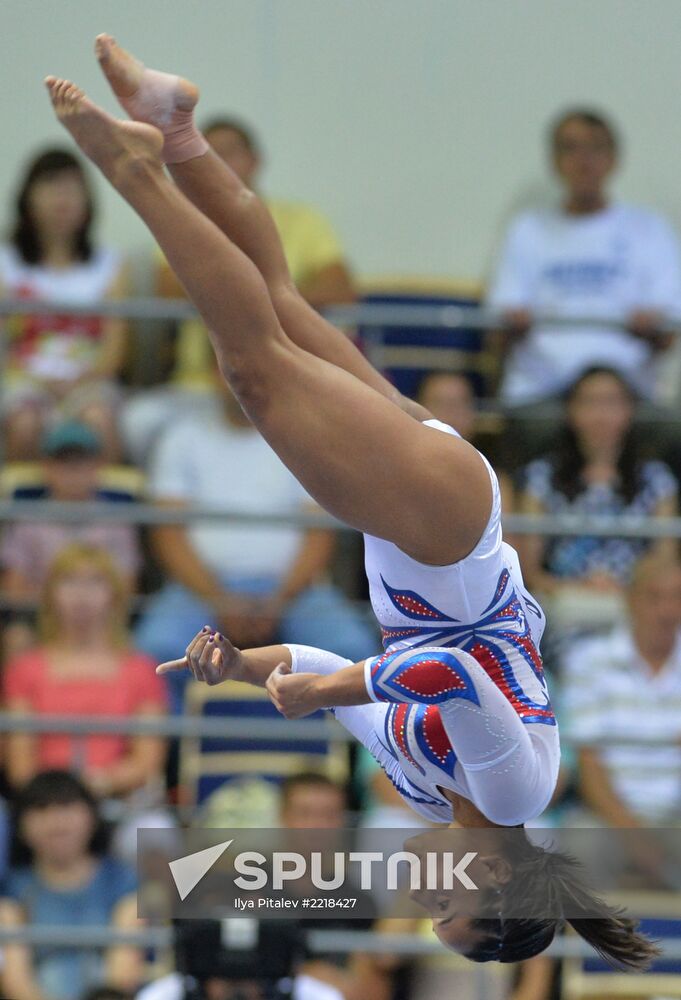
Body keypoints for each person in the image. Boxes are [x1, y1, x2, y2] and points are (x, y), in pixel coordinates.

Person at [43, 36, 656, 969]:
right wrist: (331, 689)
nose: (419, 895)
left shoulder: (418, 788)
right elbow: (454, 676)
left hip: (413, 524)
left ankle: (176, 128)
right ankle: (135, 175)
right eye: (440, 908)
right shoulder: (518, 791)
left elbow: (327, 662)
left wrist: (243, 666)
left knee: (281, 312)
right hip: (444, 541)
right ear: (488, 883)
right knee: (254, 367)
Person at [134, 372, 377, 713]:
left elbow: (319, 535)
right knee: (155, 653)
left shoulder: (300, 438)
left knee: (352, 649)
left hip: (293, 589)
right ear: (212, 372)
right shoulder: (182, 438)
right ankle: (172, 763)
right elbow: (168, 534)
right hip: (200, 589)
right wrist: (218, 599)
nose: (240, 381)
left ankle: (363, 764)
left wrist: (278, 599)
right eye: (228, 368)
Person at [122, 116, 356, 465]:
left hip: (289, 382)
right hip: (201, 387)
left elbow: (340, 288)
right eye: (208, 154)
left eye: (229, 152)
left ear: (256, 160)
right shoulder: (181, 220)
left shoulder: (302, 220)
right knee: (137, 422)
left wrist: (251, 295)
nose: (218, 163)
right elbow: (167, 287)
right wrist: (263, 292)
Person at [487, 108, 681, 405]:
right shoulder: (527, 229)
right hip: (543, 390)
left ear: (614, 159)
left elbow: (668, 332)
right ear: (554, 161)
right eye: (571, 148)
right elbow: (498, 330)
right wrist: (515, 323)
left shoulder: (650, 230)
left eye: (595, 148)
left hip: (629, 393)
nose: (584, 161)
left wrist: (650, 327)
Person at [516, 367, 678, 637]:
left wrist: (630, 590)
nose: (601, 415)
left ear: (629, 411)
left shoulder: (657, 479)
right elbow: (529, 571)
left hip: (634, 605)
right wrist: (573, 587)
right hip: (564, 605)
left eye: (611, 403)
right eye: (590, 402)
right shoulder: (541, 478)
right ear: (571, 411)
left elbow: (665, 561)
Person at [4, 543, 166, 799]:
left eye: (95, 582)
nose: (82, 594)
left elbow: (146, 761)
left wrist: (98, 784)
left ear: (114, 595)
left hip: (118, 801)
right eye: (69, 581)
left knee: (152, 831)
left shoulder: (142, 669)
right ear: (50, 595)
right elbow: (20, 765)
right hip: (42, 802)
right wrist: (62, 794)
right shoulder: (24, 669)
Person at [0, 147, 129, 459]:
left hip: (90, 380)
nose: (62, 199)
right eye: (51, 186)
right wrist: (40, 383)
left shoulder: (109, 265)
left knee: (99, 421)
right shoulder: (6, 263)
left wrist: (75, 384)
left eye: (72, 188)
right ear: (27, 199)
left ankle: (105, 507)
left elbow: (115, 352)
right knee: (25, 423)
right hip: (23, 379)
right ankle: (20, 506)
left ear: (87, 202)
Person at [0, 420, 142, 659]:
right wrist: (64, 602)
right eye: (64, 462)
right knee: (17, 639)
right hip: (40, 619)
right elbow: (14, 589)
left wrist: (86, 604)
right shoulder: (27, 518)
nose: (73, 471)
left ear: (98, 466)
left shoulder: (117, 520)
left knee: (134, 643)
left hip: (103, 619)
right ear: (46, 467)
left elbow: (127, 587)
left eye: (82, 462)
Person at [562, 549, 681, 828]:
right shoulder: (588, 660)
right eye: (654, 597)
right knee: (579, 844)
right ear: (630, 600)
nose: (667, 610)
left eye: (677, 597)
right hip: (605, 817)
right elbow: (587, 763)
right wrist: (636, 839)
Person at [0, 770, 142, 1000]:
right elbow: (16, 981)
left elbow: (123, 972)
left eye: (67, 806)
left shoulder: (123, 881)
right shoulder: (12, 890)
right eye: (41, 809)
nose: (57, 823)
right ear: (21, 824)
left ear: (92, 816)